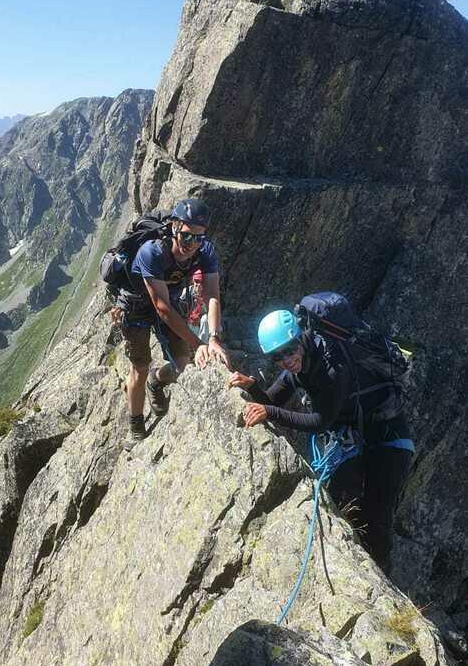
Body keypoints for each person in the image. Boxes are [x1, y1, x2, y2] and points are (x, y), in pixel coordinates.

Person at [228, 308, 414, 573]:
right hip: (357, 437)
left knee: (377, 512)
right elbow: (271, 401)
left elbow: (319, 421)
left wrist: (269, 412)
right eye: (277, 356)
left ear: (301, 338)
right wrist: (251, 386)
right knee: (344, 504)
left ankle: (383, 578)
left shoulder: (331, 366)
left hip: (389, 438)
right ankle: (357, 569)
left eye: (289, 350)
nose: (286, 359)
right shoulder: (300, 365)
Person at [118, 198, 230, 443]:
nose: (193, 245)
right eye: (188, 237)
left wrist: (213, 338)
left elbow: (212, 294)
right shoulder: (153, 251)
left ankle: (156, 381)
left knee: (182, 364)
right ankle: (136, 424)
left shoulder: (205, 250)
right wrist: (198, 343)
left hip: (168, 298)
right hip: (137, 305)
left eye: (199, 239)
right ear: (175, 228)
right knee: (139, 366)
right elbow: (162, 309)